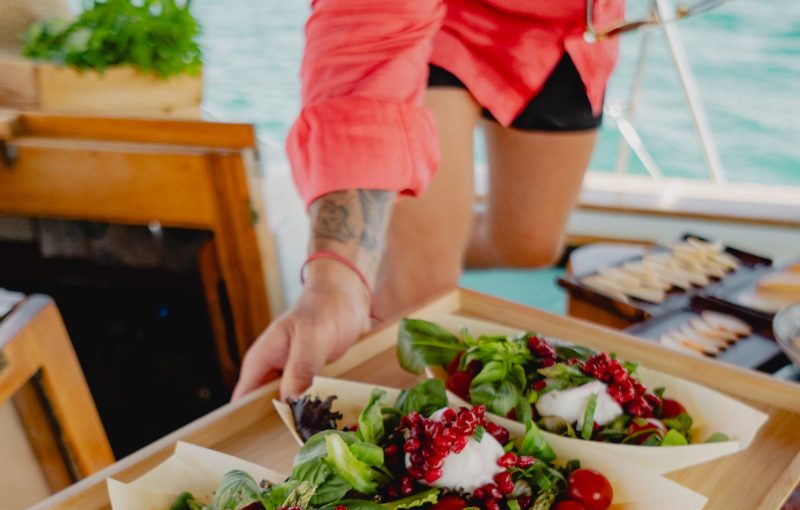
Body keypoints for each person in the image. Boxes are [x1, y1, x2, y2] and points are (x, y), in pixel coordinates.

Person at [232, 0, 623, 401]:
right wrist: (335, 282)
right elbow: (367, 31)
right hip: (445, 23)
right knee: (421, 293)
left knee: (530, 246)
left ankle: (399, 240)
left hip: (570, 30)